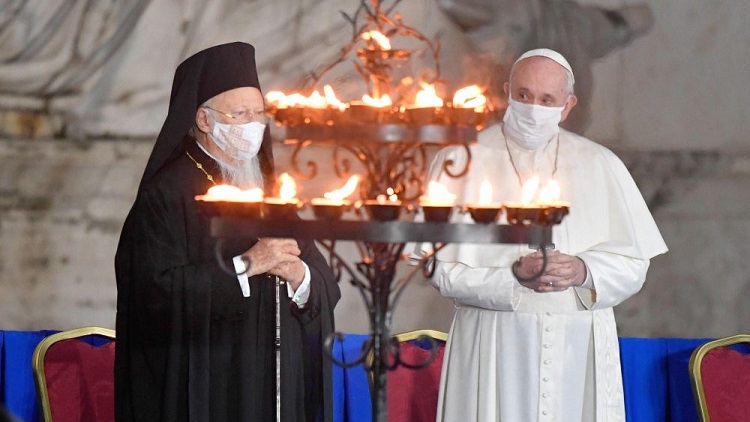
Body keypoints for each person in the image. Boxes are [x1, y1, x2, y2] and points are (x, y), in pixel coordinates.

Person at [423, 48, 667, 421]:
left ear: (567, 106)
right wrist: (512, 279)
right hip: (492, 340)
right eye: (523, 95)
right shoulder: (460, 161)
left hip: (578, 342)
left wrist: (583, 271)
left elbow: (634, 265)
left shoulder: (601, 164)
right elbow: (434, 267)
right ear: (506, 91)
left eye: (546, 100)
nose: (533, 108)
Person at [114, 42, 340, 421]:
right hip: (208, 383)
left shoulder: (271, 190)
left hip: (274, 384)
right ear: (204, 120)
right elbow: (153, 294)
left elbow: (325, 284)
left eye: (259, 113)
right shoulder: (168, 191)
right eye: (240, 114)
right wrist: (248, 264)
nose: (254, 125)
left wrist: (299, 276)